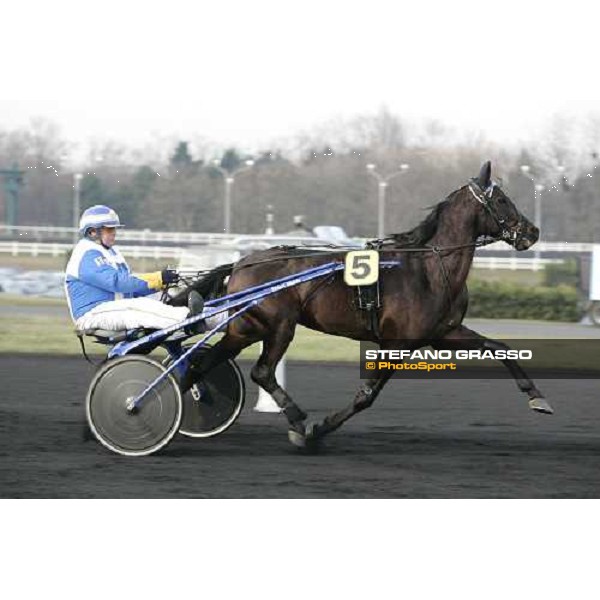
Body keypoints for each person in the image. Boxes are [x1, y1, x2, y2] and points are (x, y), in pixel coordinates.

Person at [65, 205, 204, 332]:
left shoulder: (112, 252)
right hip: (91, 314)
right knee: (138, 307)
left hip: (111, 308)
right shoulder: (87, 253)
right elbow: (117, 282)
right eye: (109, 229)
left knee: (148, 303)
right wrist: (157, 278)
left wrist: (160, 283)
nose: (114, 232)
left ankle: (205, 318)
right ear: (92, 232)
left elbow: (131, 288)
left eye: (114, 228)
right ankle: (188, 319)